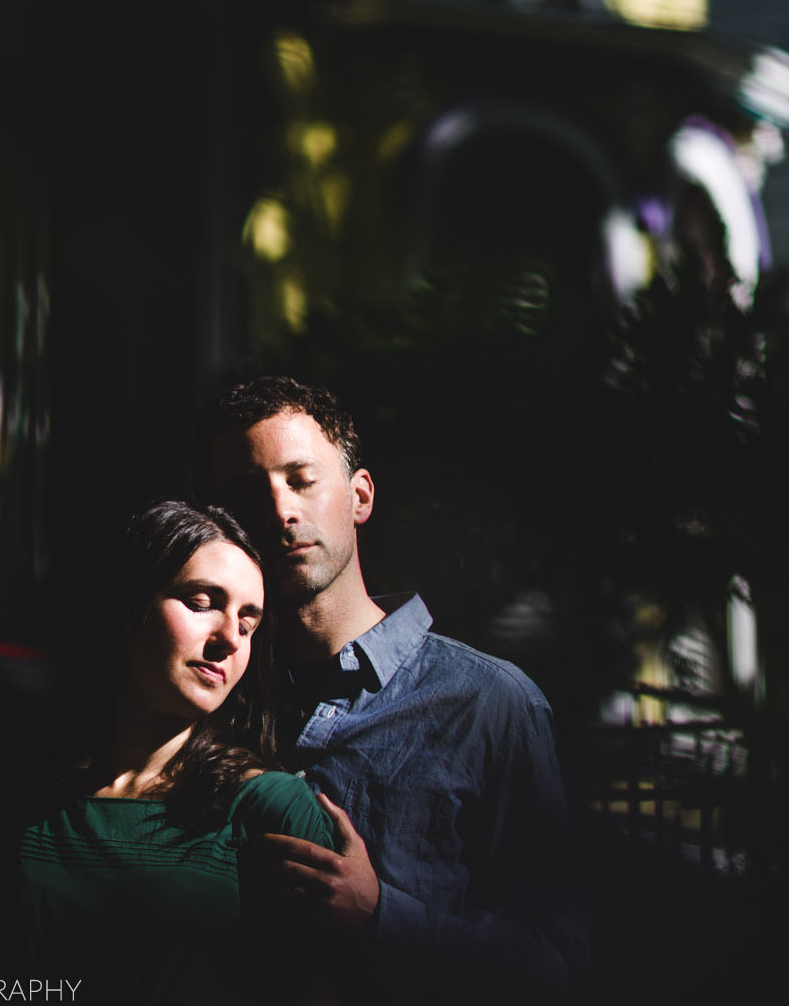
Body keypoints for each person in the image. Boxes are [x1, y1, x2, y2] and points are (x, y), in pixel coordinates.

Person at [194, 375, 586, 1004]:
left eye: (301, 479)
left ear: (360, 496)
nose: (279, 511)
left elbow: (557, 964)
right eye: (247, 491)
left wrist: (380, 917)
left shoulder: (489, 705)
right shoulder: (211, 697)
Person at [17, 500, 336, 1004]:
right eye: (204, 601)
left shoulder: (268, 809)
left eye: (248, 622)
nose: (230, 637)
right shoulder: (22, 784)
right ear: (131, 603)